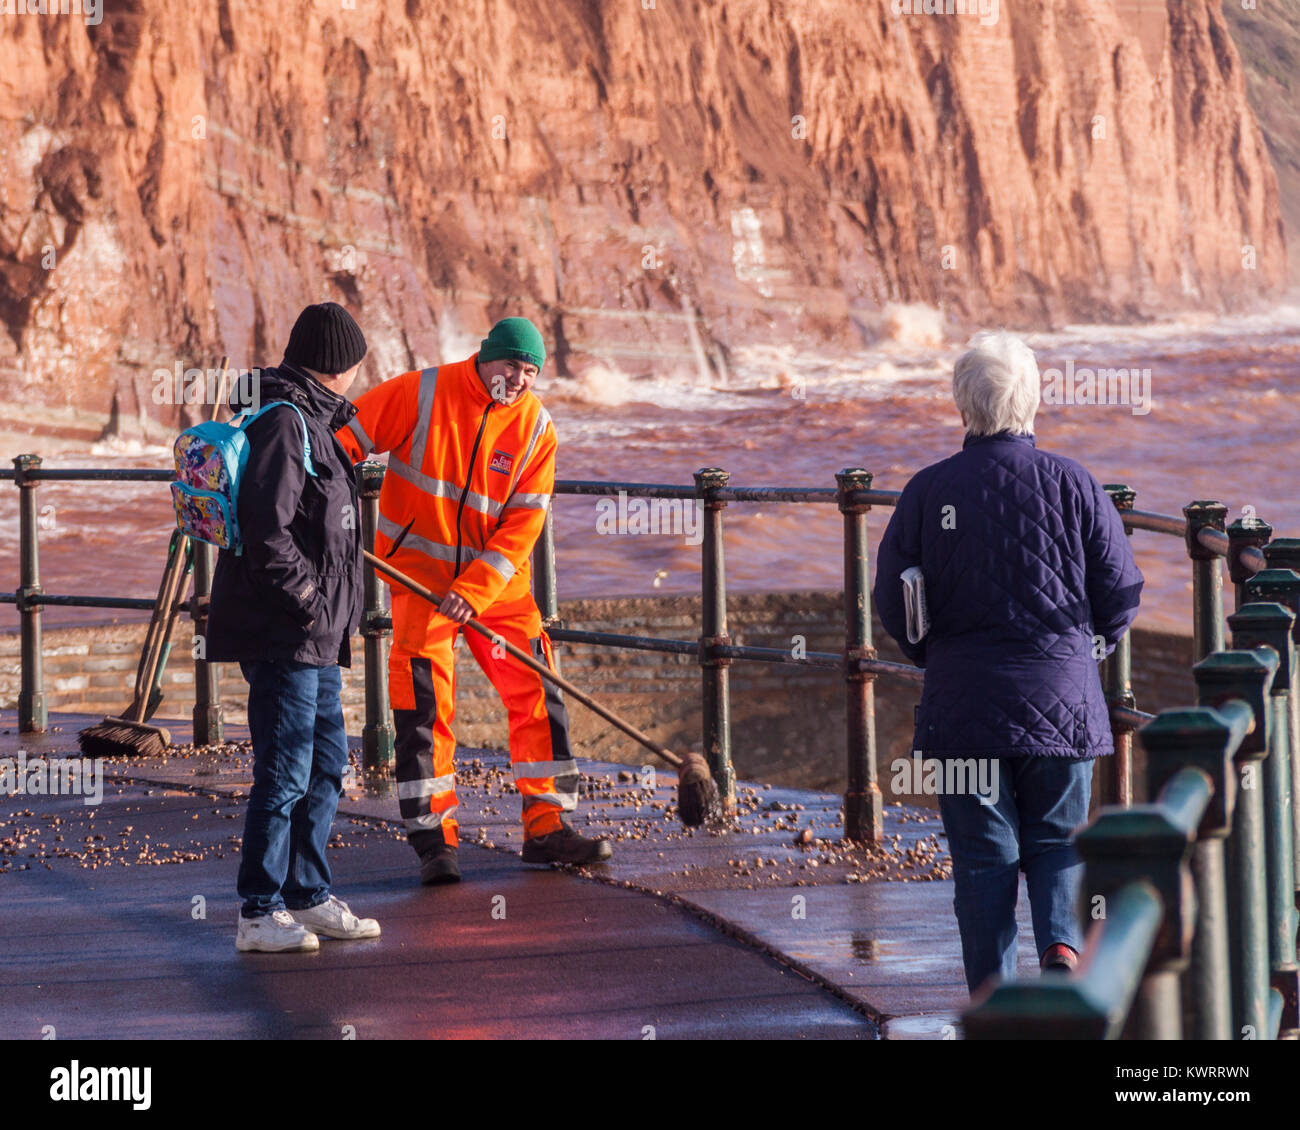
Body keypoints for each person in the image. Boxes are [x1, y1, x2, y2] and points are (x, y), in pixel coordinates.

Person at [873, 331, 1144, 996]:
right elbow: (1122, 590)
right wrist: (1089, 649)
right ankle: (1060, 948)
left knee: (984, 861)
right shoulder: (1073, 482)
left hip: (963, 708)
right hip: (1060, 700)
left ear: (963, 404)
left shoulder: (927, 489)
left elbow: (890, 596)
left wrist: (930, 655)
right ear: (1031, 401)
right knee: (1056, 842)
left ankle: (994, 1001)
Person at [336, 316, 612, 884]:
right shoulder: (422, 391)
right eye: (511, 365)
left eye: (531, 372)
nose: (518, 379)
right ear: (485, 356)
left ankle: (547, 826)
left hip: (498, 591)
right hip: (417, 580)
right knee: (424, 711)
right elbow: (344, 441)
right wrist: (320, 504)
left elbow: (524, 522)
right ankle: (435, 843)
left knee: (537, 693)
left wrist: (475, 590)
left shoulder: (538, 431)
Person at [207, 301, 381, 953]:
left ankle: (307, 896)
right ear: (340, 364)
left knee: (326, 764)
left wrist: (328, 617)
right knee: (284, 770)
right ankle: (259, 910)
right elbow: (266, 531)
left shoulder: (313, 419)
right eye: (358, 361)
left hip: (321, 634)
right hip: (290, 633)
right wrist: (309, 602)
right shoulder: (286, 422)